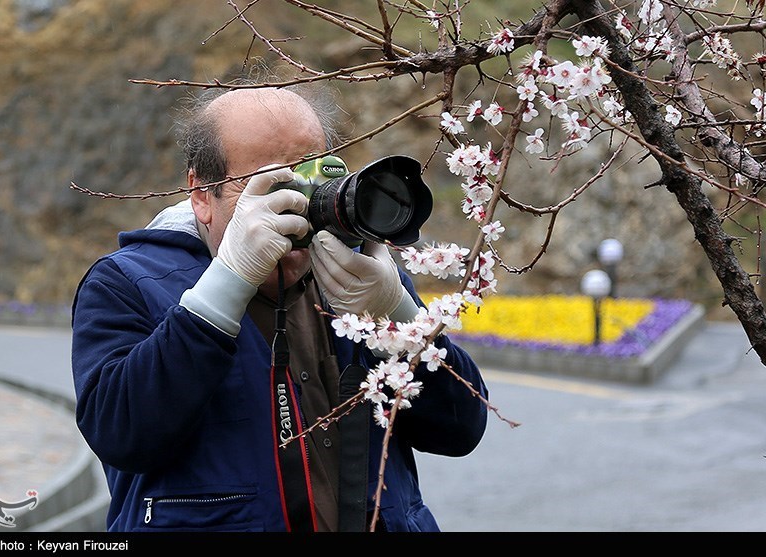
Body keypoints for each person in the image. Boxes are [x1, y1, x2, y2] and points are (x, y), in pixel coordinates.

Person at [70, 81, 489, 532]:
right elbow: (120, 434)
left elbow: (461, 428)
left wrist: (399, 316)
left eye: (312, 175)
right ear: (201, 194)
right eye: (271, 184)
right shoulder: (126, 283)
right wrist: (227, 285)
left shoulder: (361, 278)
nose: (297, 203)